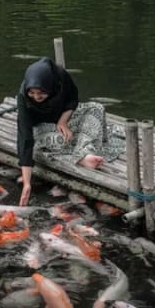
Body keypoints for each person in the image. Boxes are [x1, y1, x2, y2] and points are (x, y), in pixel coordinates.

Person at [16, 57, 125, 205]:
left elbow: (73, 98)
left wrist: (63, 121)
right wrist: (27, 183)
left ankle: (85, 150)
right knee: (58, 139)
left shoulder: (60, 76)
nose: (36, 97)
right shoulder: (23, 96)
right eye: (32, 93)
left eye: (41, 93)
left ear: (51, 87)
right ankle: (81, 158)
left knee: (96, 108)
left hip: (62, 117)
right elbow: (25, 137)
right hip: (41, 128)